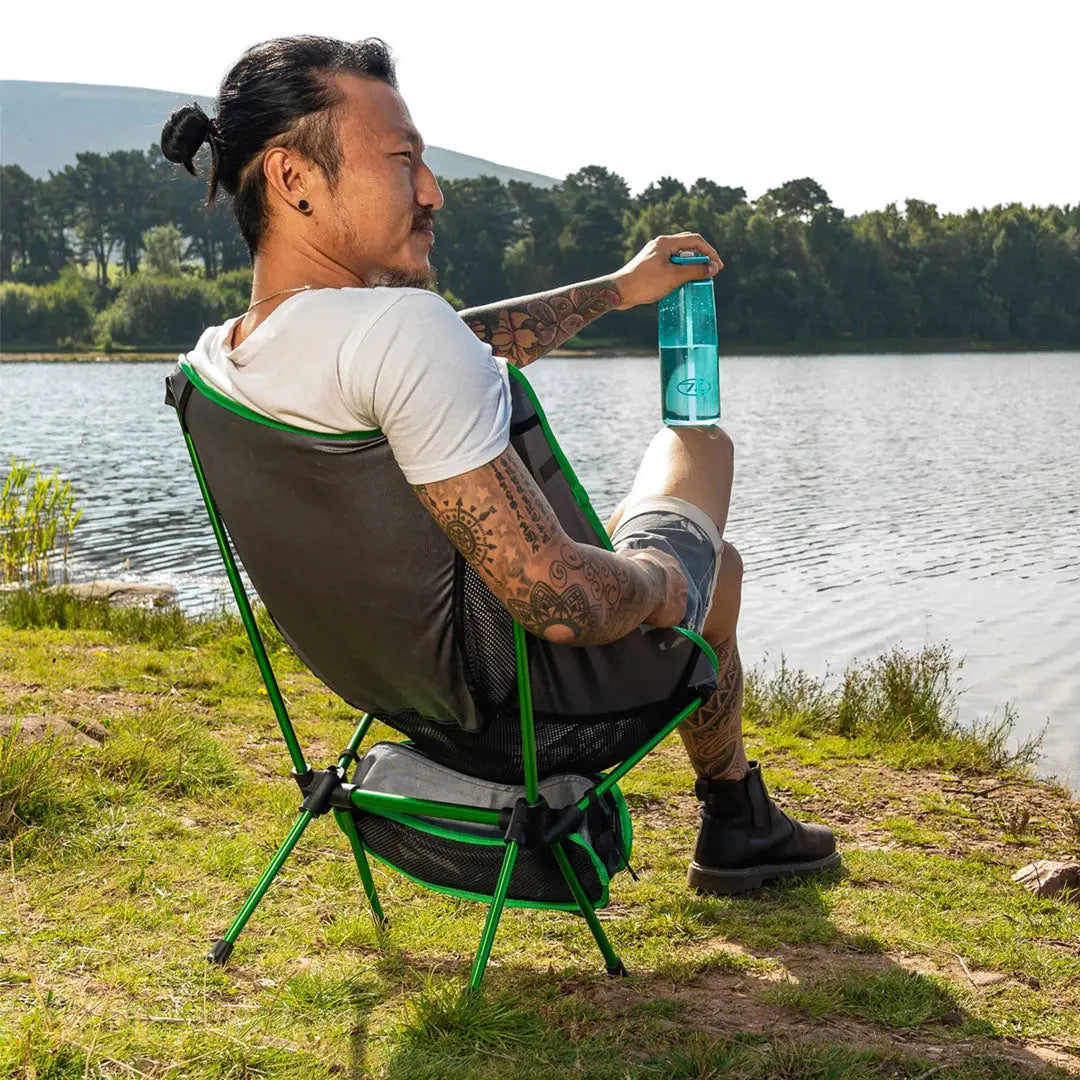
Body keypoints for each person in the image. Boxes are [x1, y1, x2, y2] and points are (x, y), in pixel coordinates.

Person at [164, 34, 839, 895]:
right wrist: (660, 580)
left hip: (395, 692)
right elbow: (558, 599)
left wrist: (620, 289)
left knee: (721, 572)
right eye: (403, 159)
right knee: (697, 456)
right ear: (293, 178)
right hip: (538, 708)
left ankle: (741, 808)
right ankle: (737, 815)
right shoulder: (398, 331)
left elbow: (457, 346)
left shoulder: (219, 363)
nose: (431, 190)